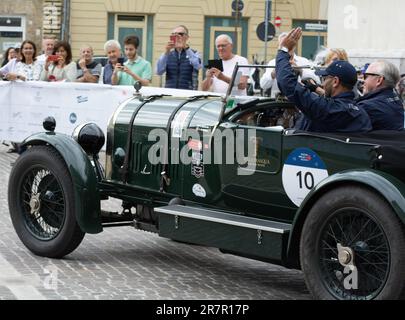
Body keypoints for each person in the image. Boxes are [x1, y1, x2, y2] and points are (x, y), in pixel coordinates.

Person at [276, 28, 371, 133]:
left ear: (335, 82)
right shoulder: (362, 114)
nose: (323, 83)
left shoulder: (326, 108)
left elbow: (287, 84)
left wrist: (283, 50)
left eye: (326, 78)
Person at [260, 32, 317, 98]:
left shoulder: (303, 61)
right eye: (283, 46)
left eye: (288, 46)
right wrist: (272, 74)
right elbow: (263, 85)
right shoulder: (273, 63)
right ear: (278, 47)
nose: (285, 49)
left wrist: (300, 71)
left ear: (294, 46)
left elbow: (316, 81)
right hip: (278, 103)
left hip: (300, 103)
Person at [356, 60, 404, 130]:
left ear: (379, 80)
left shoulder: (367, 107)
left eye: (365, 76)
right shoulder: (397, 101)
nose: (363, 81)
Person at [156, 25, 202, 90]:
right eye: (174, 35)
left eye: (180, 34)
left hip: (188, 93)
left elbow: (198, 66)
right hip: (170, 93)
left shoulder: (194, 53)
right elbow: (159, 71)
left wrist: (186, 48)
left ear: (187, 37)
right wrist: (166, 52)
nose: (177, 37)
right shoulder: (168, 54)